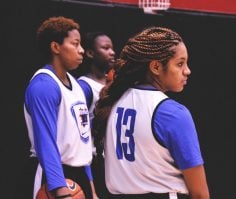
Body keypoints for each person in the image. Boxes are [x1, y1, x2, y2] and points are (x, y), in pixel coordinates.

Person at [92, 26, 210, 199]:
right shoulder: (173, 114)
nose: (187, 70)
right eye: (180, 63)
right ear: (155, 67)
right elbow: (199, 193)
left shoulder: (113, 102)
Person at [23, 16, 96, 199]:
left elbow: (82, 141)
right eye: (75, 44)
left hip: (81, 175)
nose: (81, 50)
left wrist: (92, 190)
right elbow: (45, 141)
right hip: (54, 175)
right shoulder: (43, 85)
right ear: (56, 47)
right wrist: (60, 190)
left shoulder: (76, 85)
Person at [78, 31, 116, 198]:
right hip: (94, 162)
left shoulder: (114, 85)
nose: (112, 52)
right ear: (90, 53)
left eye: (112, 48)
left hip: (113, 161)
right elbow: (80, 134)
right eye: (106, 48)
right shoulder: (84, 87)